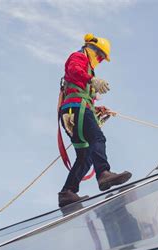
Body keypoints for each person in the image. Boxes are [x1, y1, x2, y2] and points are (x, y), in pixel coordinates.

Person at [58, 33, 132, 207]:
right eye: (100, 56)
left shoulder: (87, 66)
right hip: (77, 108)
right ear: (93, 49)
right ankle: (103, 174)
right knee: (97, 139)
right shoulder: (78, 57)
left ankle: (67, 192)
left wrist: (97, 110)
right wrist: (92, 79)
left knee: (85, 157)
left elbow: (79, 91)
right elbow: (74, 71)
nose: (99, 60)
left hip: (75, 110)